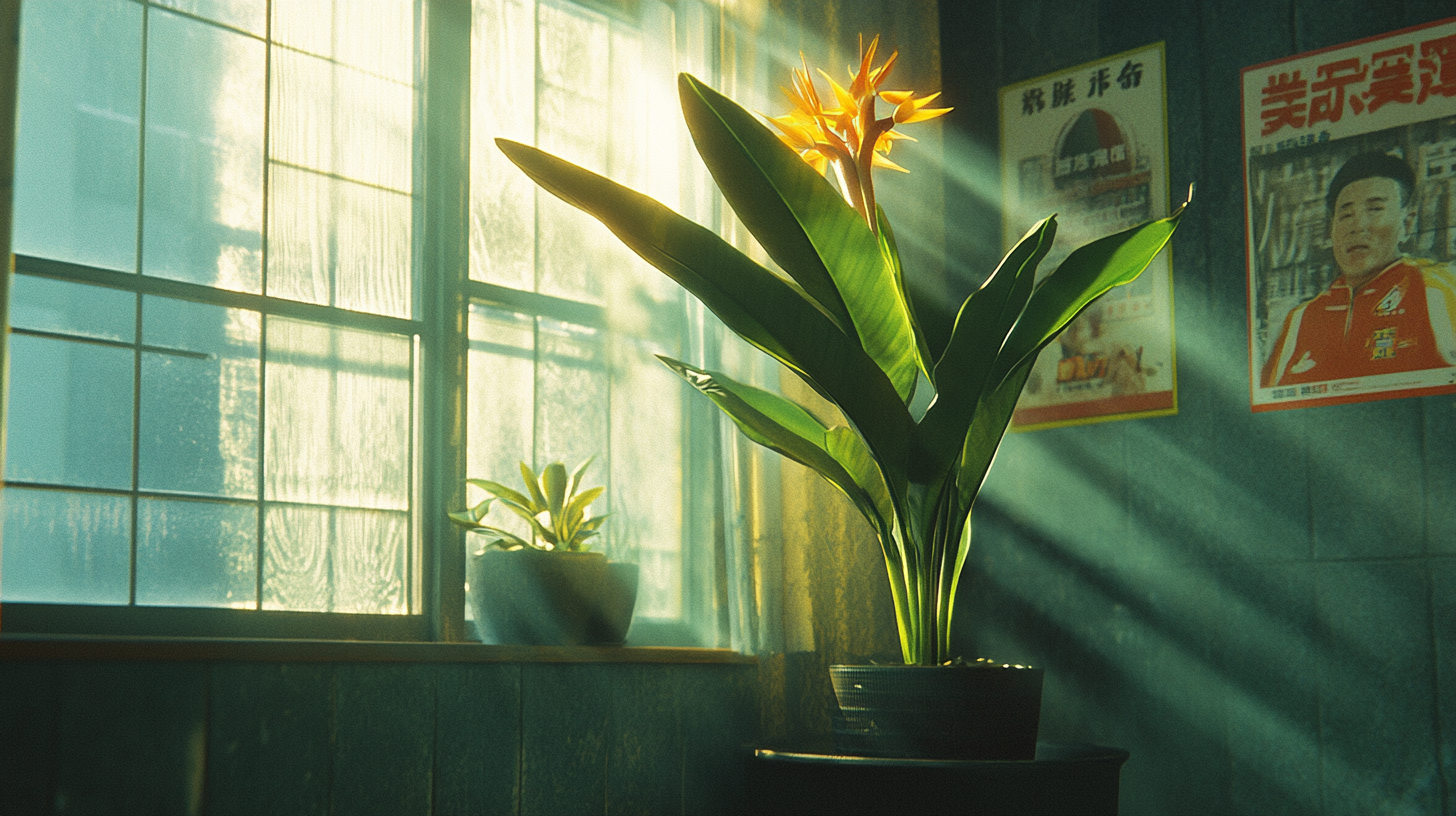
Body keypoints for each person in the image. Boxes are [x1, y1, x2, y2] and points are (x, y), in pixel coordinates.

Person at [1260, 151, 1456, 388]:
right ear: (1331, 231)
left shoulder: (1438, 291)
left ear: (1407, 223)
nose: (1358, 226)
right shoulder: (1301, 318)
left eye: (1375, 209)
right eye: (1346, 215)